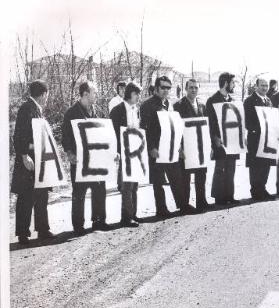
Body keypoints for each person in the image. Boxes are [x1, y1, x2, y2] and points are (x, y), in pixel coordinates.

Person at [61, 81, 111, 234]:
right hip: (80, 160)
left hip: (95, 159)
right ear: (85, 94)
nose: (97, 95)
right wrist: (69, 153)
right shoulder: (71, 113)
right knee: (79, 193)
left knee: (99, 189)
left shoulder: (96, 111)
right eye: (94, 92)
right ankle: (78, 225)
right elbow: (66, 136)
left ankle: (98, 221)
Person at [140, 75, 191, 217]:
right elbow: (144, 129)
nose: (166, 91)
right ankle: (161, 209)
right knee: (158, 182)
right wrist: (151, 148)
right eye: (163, 87)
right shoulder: (147, 105)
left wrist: (179, 146)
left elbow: (173, 126)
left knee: (176, 178)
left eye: (168, 88)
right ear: (156, 88)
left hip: (170, 147)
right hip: (156, 149)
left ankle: (183, 205)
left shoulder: (168, 104)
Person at [11, 79, 54, 244]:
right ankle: (23, 234)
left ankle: (43, 229)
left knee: (42, 195)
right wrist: (23, 156)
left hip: (39, 158)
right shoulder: (26, 108)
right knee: (26, 196)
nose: (47, 98)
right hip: (28, 159)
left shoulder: (37, 109)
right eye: (47, 94)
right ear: (43, 94)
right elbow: (18, 136)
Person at [173, 78, 210, 212]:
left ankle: (202, 201)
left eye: (196, 87)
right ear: (185, 89)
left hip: (199, 146)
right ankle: (185, 204)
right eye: (191, 87)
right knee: (185, 177)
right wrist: (179, 147)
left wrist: (208, 146)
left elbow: (206, 128)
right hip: (185, 146)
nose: (193, 90)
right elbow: (175, 129)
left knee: (201, 174)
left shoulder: (202, 105)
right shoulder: (178, 105)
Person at [109, 81, 142, 227]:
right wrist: (116, 151)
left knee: (135, 184)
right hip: (123, 151)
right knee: (126, 185)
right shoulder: (117, 110)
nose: (138, 97)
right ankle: (126, 217)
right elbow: (113, 133)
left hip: (135, 152)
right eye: (137, 94)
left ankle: (133, 213)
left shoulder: (136, 110)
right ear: (130, 94)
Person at [205, 72, 240, 205]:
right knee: (220, 168)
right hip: (219, 140)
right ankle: (219, 196)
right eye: (232, 83)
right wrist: (214, 138)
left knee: (231, 167)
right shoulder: (212, 100)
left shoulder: (232, 100)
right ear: (226, 83)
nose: (234, 85)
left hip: (232, 140)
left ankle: (229, 195)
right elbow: (211, 122)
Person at [243, 77, 277, 201]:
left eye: (266, 86)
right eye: (262, 85)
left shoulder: (268, 100)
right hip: (255, 138)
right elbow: (246, 120)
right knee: (255, 166)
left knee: (266, 164)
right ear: (256, 86)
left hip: (267, 138)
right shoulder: (249, 101)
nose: (264, 88)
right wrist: (256, 129)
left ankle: (263, 188)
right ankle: (255, 191)